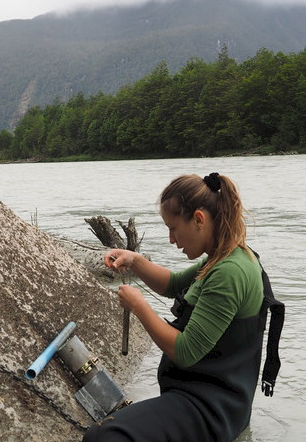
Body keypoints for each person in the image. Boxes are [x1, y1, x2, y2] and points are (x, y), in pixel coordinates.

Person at [84, 173, 283, 442]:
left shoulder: (229, 272)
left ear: (199, 220)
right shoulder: (226, 257)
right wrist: (134, 260)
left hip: (211, 411)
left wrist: (139, 305)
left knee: (105, 436)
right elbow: (174, 284)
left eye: (174, 228)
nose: (171, 239)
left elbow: (185, 351)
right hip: (205, 400)